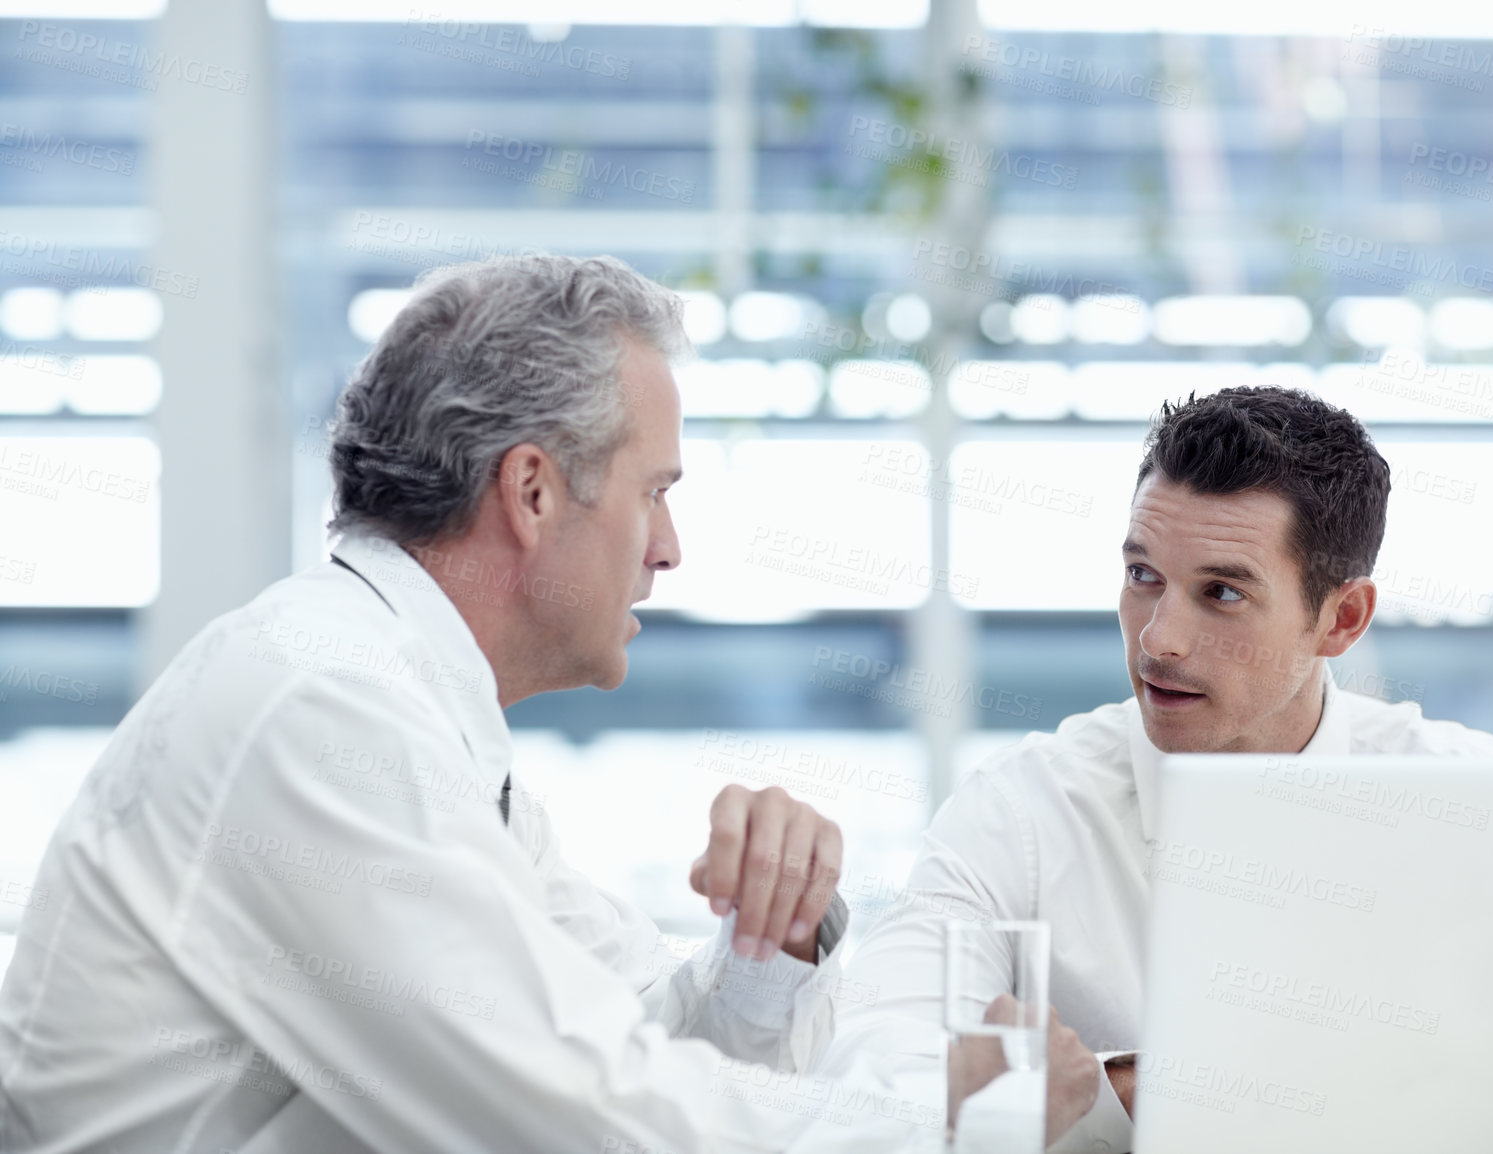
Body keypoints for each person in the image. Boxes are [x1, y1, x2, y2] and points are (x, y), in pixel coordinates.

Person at [0, 255, 935, 1153]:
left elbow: (633, 1049)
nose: (668, 549)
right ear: (531, 492)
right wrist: (978, 1133)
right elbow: (580, 1120)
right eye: (653, 493)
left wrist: (775, 934)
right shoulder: (321, 710)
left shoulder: (408, 718)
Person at [827, 386, 1493, 1154]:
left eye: (1222, 593)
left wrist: (1097, 1099)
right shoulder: (1022, 814)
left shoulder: (1483, 806)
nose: (1160, 641)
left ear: (1342, 618)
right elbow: (870, 1081)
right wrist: (1133, 1093)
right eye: (1143, 577)